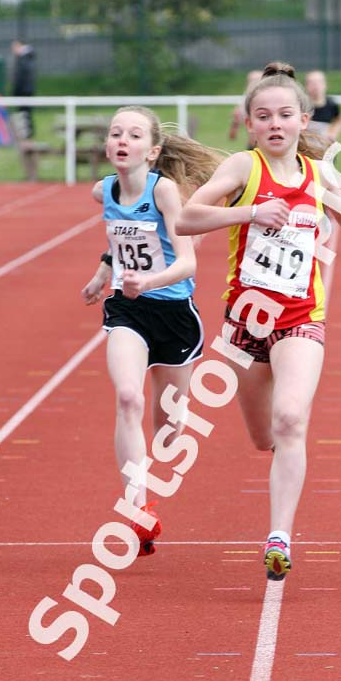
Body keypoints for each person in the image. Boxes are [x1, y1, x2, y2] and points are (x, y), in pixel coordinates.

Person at [176, 62, 341, 581]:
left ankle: (279, 535)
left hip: (301, 318)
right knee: (264, 438)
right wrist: (249, 214)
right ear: (250, 123)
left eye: (284, 114)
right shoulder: (241, 168)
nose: (274, 124)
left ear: (304, 121)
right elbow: (186, 219)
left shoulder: (316, 175)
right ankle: (285, 458)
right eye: (263, 116)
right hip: (244, 327)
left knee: (290, 420)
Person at [81, 106, 221, 555]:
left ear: (152, 150)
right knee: (128, 397)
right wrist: (106, 274)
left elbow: (187, 261)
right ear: (108, 145)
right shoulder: (102, 190)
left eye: (134, 134)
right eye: (116, 132)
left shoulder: (165, 193)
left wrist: (151, 281)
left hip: (175, 312)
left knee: (167, 431)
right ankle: (136, 506)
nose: (122, 139)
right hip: (128, 309)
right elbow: (124, 237)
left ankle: (147, 482)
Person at [305, 69, 341, 142]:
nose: (316, 86)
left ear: (325, 85)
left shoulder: (332, 105)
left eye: (319, 82)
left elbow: (338, 120)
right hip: (306, 148)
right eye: (312, 83)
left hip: (324, 147)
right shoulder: (301, 106)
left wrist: (333, 134)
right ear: (306, 86)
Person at [228, 69, 263, 148]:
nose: (255, 84)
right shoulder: (243, 104)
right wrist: (235, 123)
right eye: (252, 81)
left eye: (258, 81)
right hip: (253, 147)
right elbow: (232, 136)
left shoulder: (271, 103)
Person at [11, 40, 36, 140]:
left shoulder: (23, 59)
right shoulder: (26, 58)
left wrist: (16, 91)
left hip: (24, 91)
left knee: (25, 113)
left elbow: (21, 77)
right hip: (26, 90)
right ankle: (27, 133)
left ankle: (27, 134)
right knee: (25, 113)